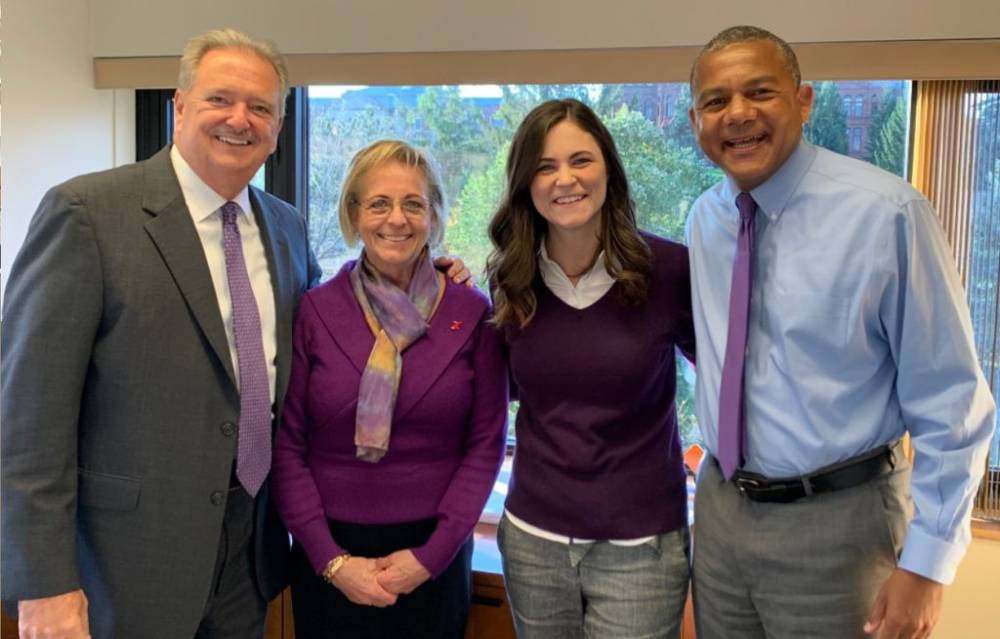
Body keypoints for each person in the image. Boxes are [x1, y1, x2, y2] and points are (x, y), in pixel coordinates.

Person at [0, 29, 469, 639]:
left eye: (261, 108)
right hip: (123, 570)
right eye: (221, 99)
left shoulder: (286, 228)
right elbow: (27, 416)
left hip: (251, 560)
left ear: (278, 126)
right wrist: (43, 586)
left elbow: (341, 326)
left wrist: (421, 279)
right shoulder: (89, 215)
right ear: (180, 106)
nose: (239, 120)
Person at [685, 25, 996, 639]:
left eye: (760, 93)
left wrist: (928, 568)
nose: (738, 115)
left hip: (839, 524)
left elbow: (953, 403)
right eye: (717, 101)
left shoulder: (886, 214)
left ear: (803, 101)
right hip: (721, 514)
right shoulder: (707, 218)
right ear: (696, 119)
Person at [271, 139, 508, 639]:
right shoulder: (315, 310)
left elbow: (485, 445)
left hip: (434, 560)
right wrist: (330, 560)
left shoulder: (471, 312)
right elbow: (288, 446)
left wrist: (429, 558)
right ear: (354, 214)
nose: (395, 219)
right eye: (378, 203)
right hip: (330, 558)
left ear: (434, 215)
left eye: (413, 204)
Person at [486, 99, 696, 639]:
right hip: (534, 539)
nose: (565, 180)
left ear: (608, 168)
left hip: (641, 548)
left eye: (581, 160)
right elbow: (498, 392)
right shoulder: (510, 280)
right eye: (544, 166)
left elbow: (733, 381)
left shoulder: (670, 270)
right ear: (524, 184)